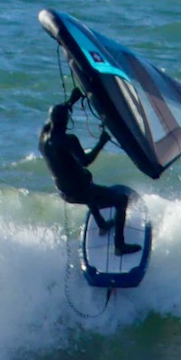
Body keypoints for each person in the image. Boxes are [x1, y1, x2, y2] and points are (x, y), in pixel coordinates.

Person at [39, 86, 141, 256]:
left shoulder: (43, 137)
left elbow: (56, 115)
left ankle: (101, 224)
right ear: (65, 122)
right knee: (121, 200)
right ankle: (119, 245)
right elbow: (85, 161)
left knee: (85, 179)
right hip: (80, 192)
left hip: (64, 192)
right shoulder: (68, 140)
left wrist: (71, 101)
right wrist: (102, 142)